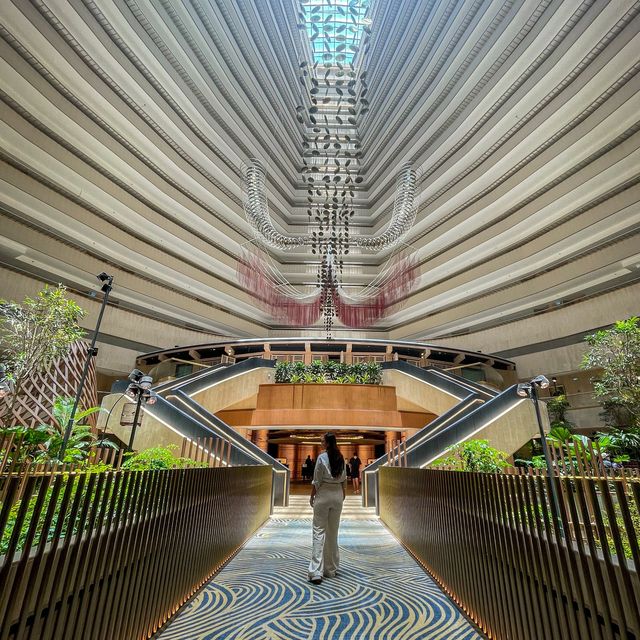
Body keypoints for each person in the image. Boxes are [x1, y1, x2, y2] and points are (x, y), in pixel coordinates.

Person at [308, 432, 346, 584]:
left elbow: (317, 480)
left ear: (328, 443)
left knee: (319, 531)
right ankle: (330, 570)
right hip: (337, 494)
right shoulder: (341, 457)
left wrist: (312, 496)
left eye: (322, 441)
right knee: (332, 532)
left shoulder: (322, 457)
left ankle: (316, 571)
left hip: (323, 493)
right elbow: (344, 479)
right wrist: (342, 494)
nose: (321, 442)